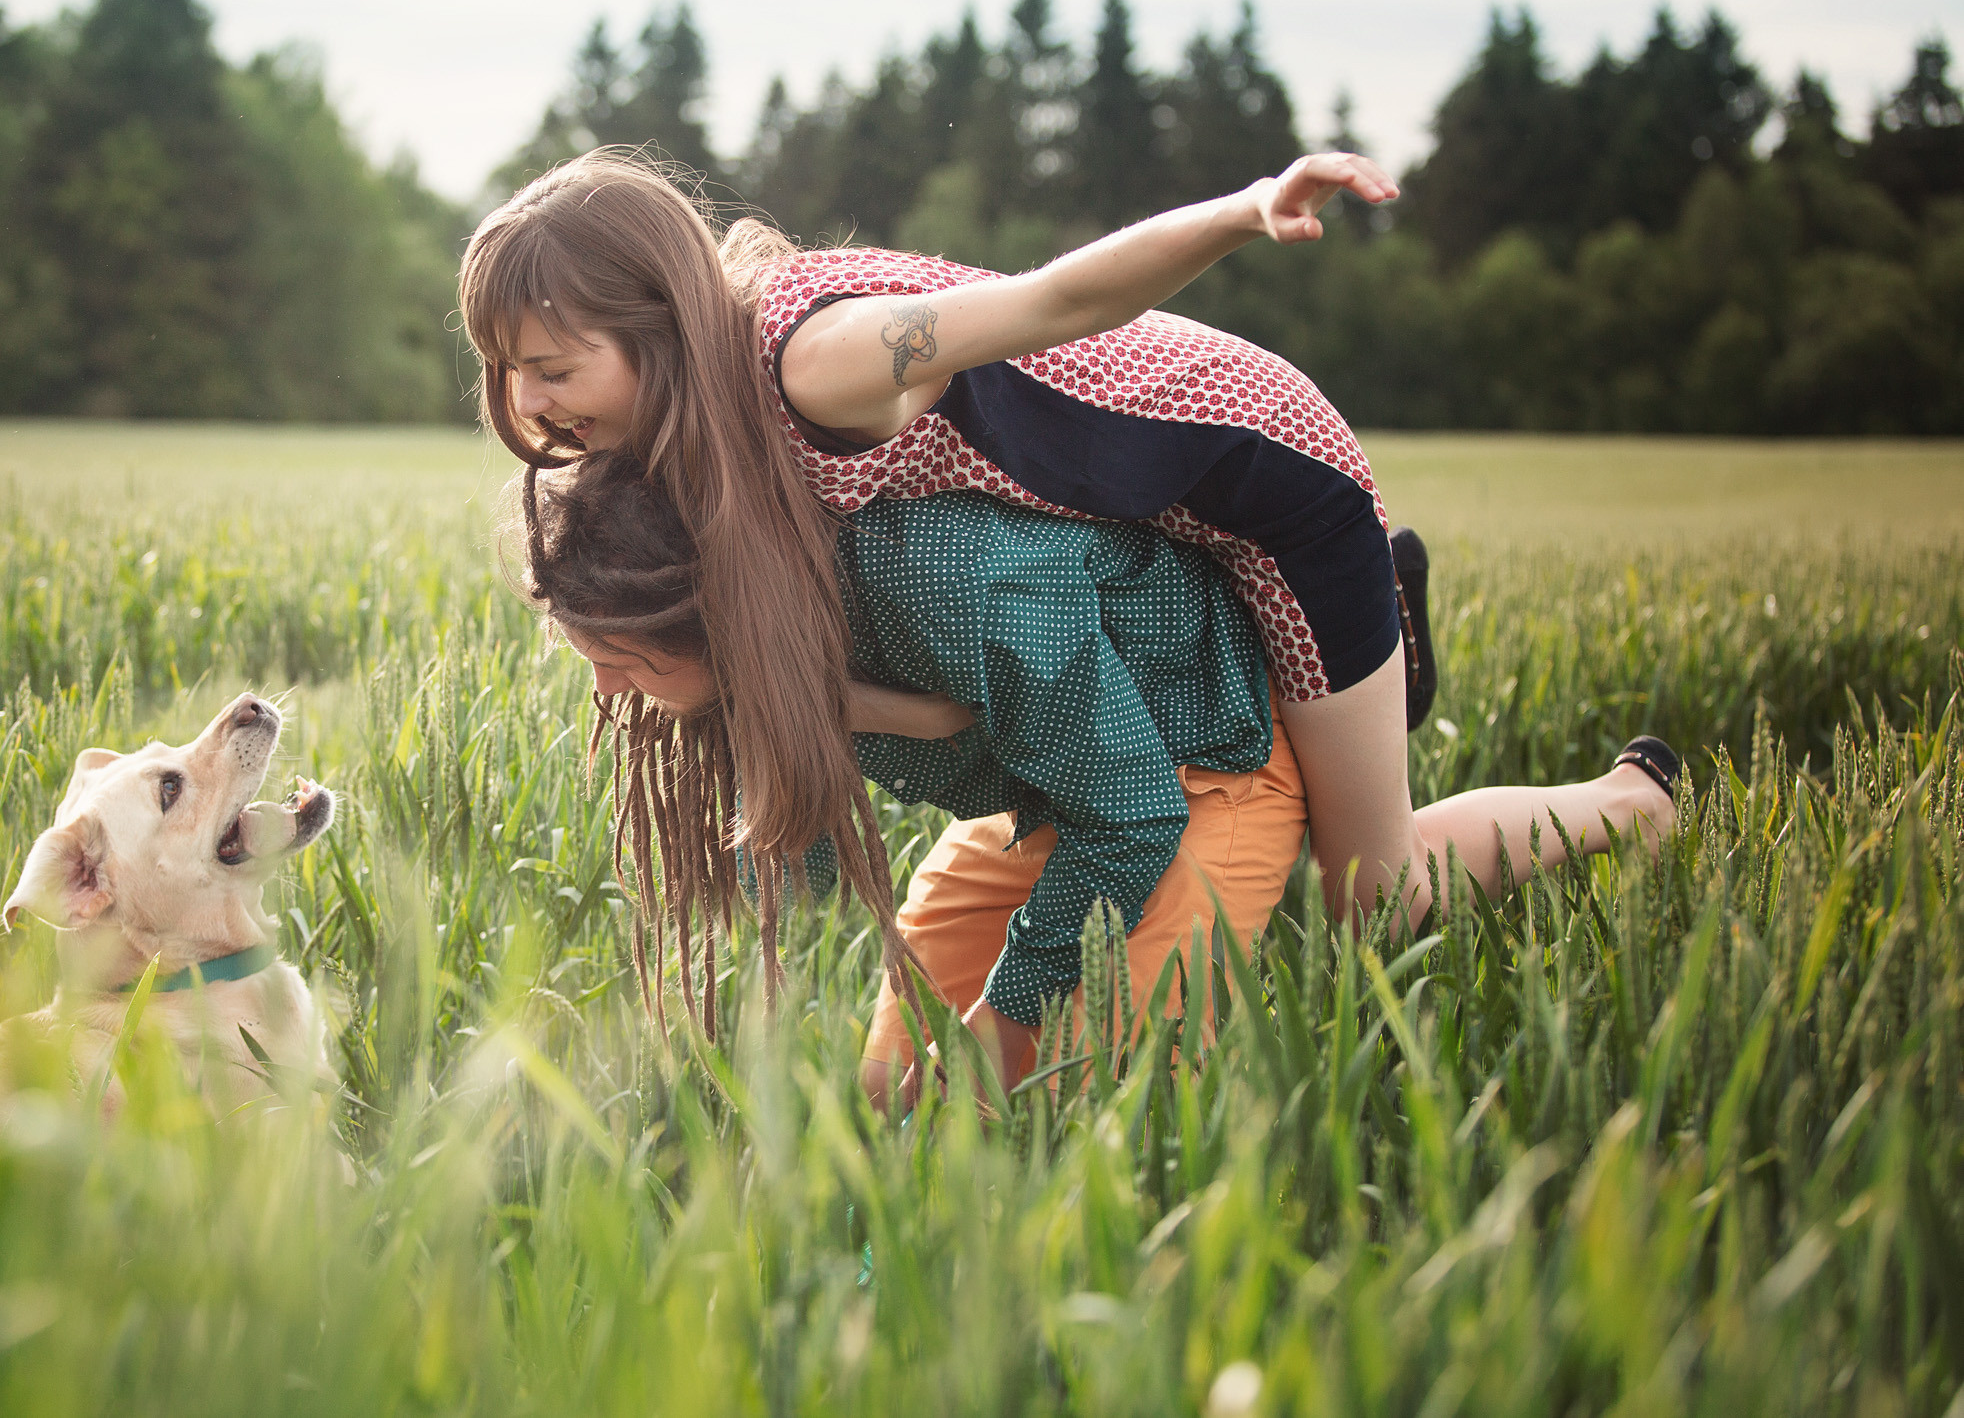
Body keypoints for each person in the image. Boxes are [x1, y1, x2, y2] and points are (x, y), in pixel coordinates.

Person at [460, 147, 1680, 937]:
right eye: (508, 372)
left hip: (1270, 496)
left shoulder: (814, 362)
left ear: (658, 325)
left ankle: (1631, 803)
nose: (531, 409)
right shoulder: (701, 425)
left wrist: (1243, 210)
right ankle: (1369, 655)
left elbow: (1053, 299)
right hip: (1130, 536)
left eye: (555, 368)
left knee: (1368, 888)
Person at [520, 451, 1677, 1096]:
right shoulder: (767, 640)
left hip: (1194, 756)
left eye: (622, 658)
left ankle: (1630, 802)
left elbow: (1131, 818)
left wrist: (1006, 1010)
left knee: (1100, 1080)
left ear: (710, 609)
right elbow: (822, 853)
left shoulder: (955, 586)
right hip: (1049, 770)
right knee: (891, 1090)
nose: (614, 691)